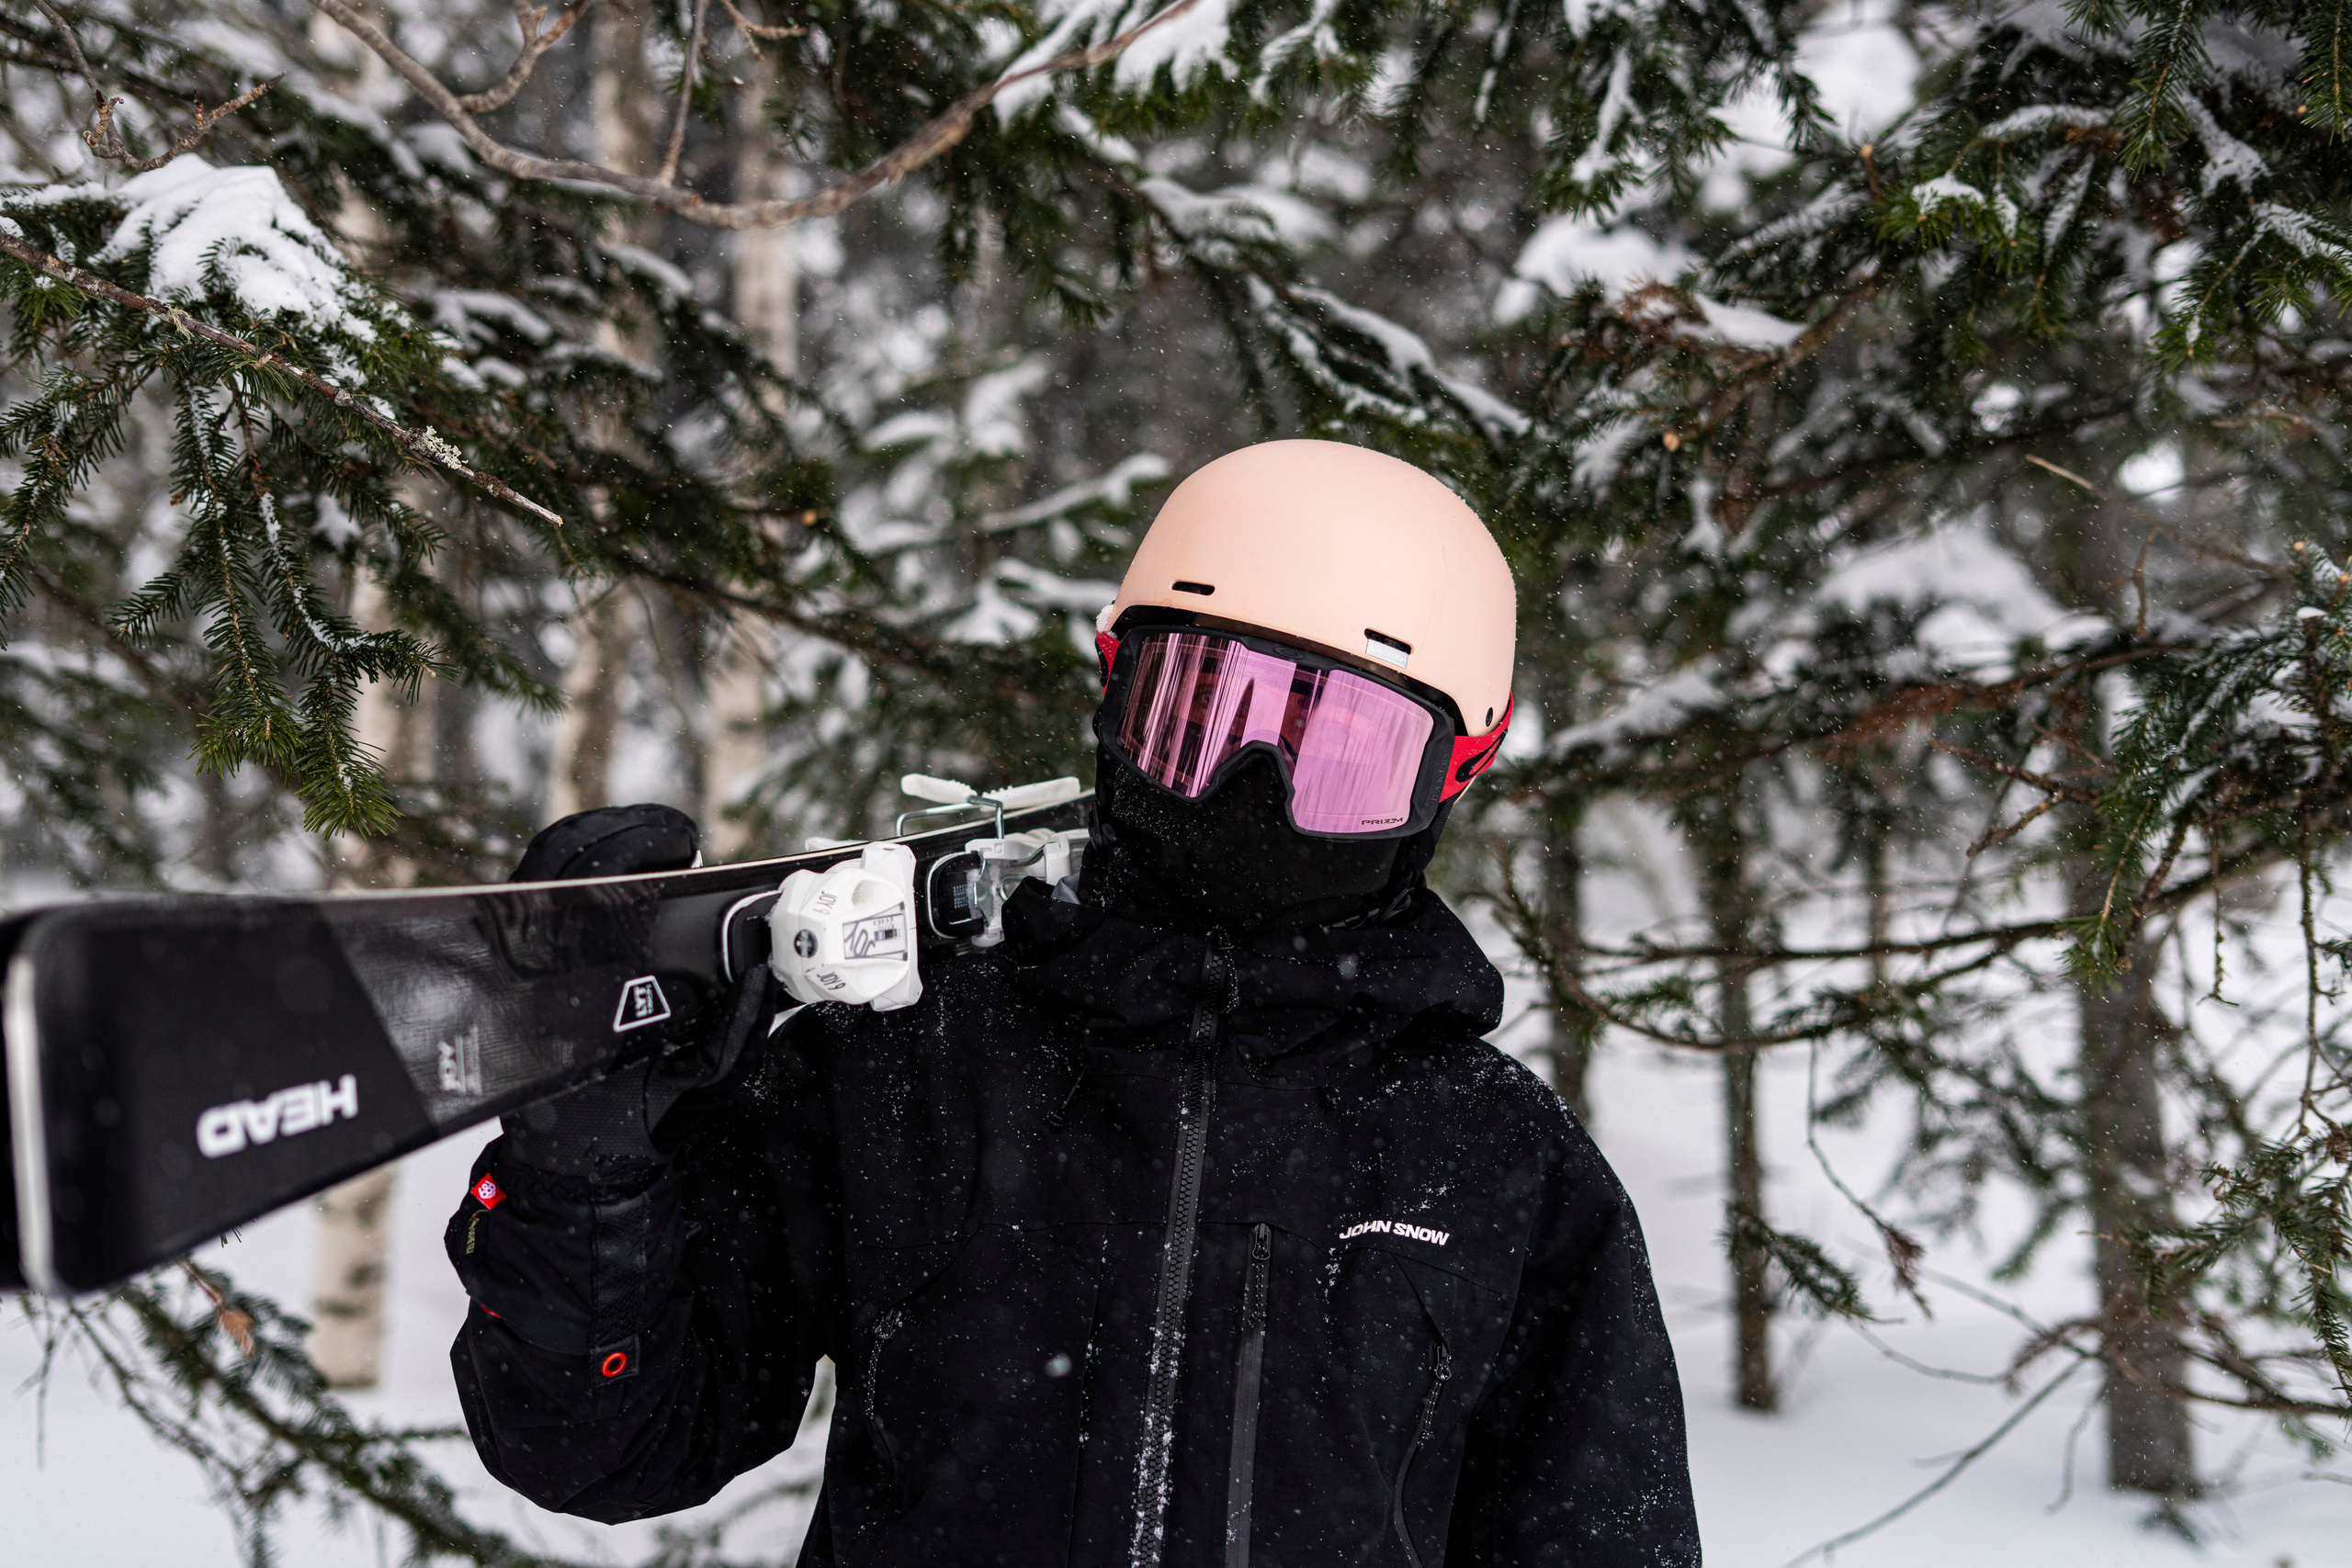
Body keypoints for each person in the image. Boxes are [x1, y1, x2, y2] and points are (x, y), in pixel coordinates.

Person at [447, 440, 1700, 1566]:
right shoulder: (910, 1059)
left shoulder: (1495, 1160)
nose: (1254, 790)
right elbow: (602, 1445)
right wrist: (586, 1179)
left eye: (1344, 756)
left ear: (1453, 776)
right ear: (1114, 687)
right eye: (1202, 713)